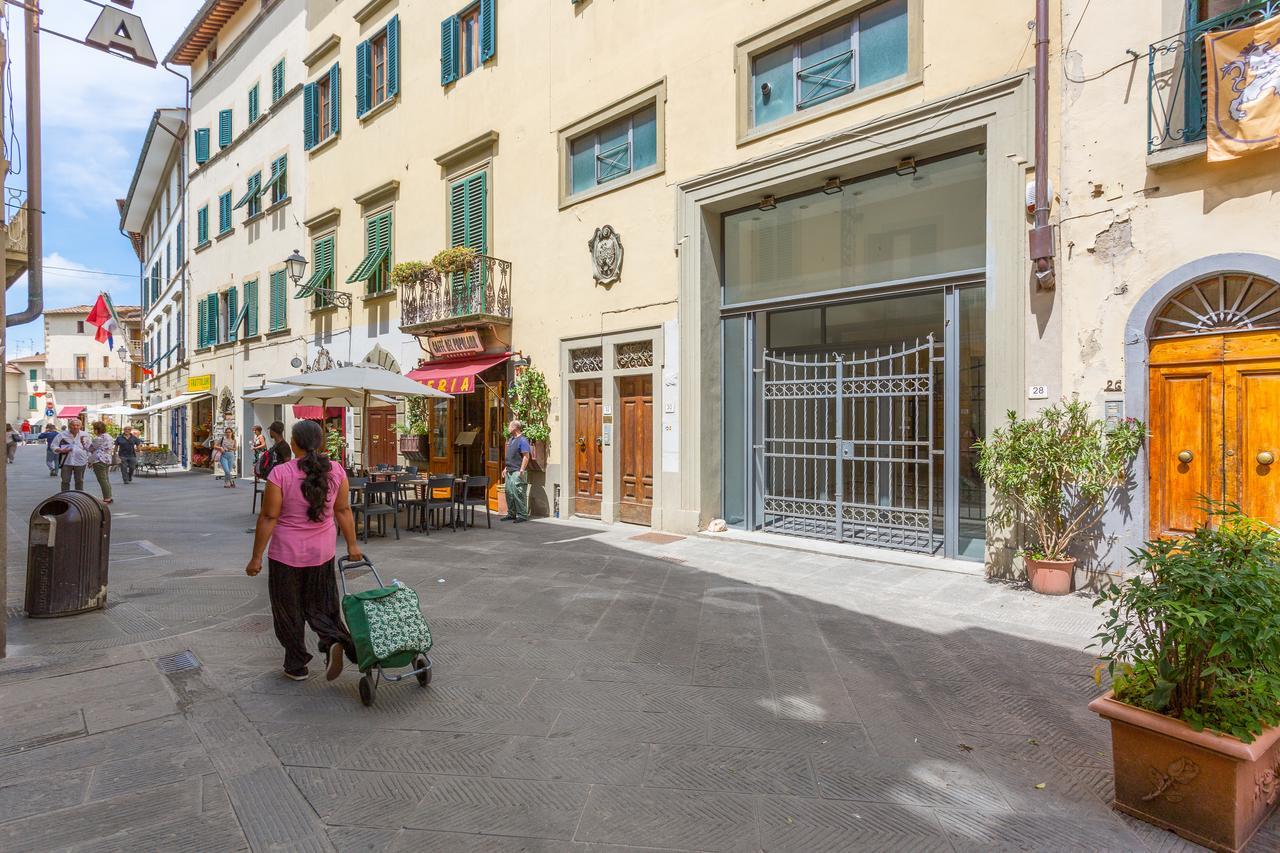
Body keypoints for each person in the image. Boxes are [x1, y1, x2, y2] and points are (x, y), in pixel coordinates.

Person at [245, 420, 360, 682]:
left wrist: (255, 558)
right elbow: (343, 510)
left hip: (286, 555)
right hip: (322, 553)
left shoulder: (281, 473)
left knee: (288, 609)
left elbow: (268, 517)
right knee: (323, 604)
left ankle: (296, 664)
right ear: (319, 443)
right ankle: (332, 642)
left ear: (294, 443)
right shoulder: (337, 471)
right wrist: (353, 545)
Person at [502, 419, 532, 523]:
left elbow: (526, 456)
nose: (508, 428)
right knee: (509, 493)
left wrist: (522, 470)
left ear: (515, 428)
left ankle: (522, 515)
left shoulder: (523, 440)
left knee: (518, 493)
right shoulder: (511, 440)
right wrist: (506, 468)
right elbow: (511, 456)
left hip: (517, 471)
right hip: (510, 470)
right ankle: (511, 514)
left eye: (510, 426)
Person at [52, 418, 93, 491]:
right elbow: (53, 446)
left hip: (81, 461)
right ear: (69, 426)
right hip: (66, 461)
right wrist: (61, 450)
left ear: (80, 426)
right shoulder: (62, 435)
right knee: (65, 481)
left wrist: (90, 460)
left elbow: (89, 448)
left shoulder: (85, 435)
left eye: (77, 425)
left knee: (79, 481)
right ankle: (65, 497)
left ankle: (79, 497)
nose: (75, 427)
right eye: (73, 425)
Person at [88, 421, 114, 504]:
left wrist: (84, 443)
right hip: (107, 459)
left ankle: (107, 498)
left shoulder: (98, 438)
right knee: (106, 479)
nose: (93, 430)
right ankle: (109, 496)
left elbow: (91, 449)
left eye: (94, 429)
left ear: (97, 430)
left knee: (102, 479)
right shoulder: (108, 436)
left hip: (99, 460)